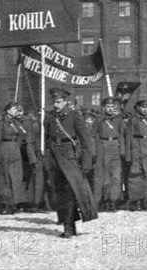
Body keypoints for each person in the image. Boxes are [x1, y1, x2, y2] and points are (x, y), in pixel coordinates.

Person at [44, 87, 97, 238]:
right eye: (54, 101)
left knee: (71, 191)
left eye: (59, 102)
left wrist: (86, 163)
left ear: (66, 102)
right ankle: (68, 225)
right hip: (54, 156)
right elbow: (47, 138)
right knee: (60, 193)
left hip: (69, 156)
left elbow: (86, 141)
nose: (56, 105)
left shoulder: (74, 116)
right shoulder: (49, 117)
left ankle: (69, 226)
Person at [0, 101, 36, 214]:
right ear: (7, 110)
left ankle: (15, 203)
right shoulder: (1, 122)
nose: (16, 111)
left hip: (15, 150)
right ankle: (6, 204)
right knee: (5, 178)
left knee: (16, 177)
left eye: (16, 109)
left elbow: (22, 135)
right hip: (4, 148)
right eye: (13, 109)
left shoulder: (17, 122)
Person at [124, 99, 147, 211]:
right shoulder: (133, 120)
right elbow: (128, 136)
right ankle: (134, 200)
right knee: (135, 175)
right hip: (136, 148)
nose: (144, 109)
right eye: (142, 107)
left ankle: (146, 200)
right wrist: (128, 154)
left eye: (146, 107)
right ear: (138, 108)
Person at [94, 97, 125, 212]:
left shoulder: (118, 120)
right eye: (108, 107)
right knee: (106, 178)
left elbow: (122, 134)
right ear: (103, 108)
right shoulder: (99, 120)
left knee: (116, 177)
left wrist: (122, 151)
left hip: (115, 149)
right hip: (104, 149)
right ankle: (106, 201)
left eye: (112, 107)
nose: (110, 109)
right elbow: (93, 135)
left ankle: (114, 201)